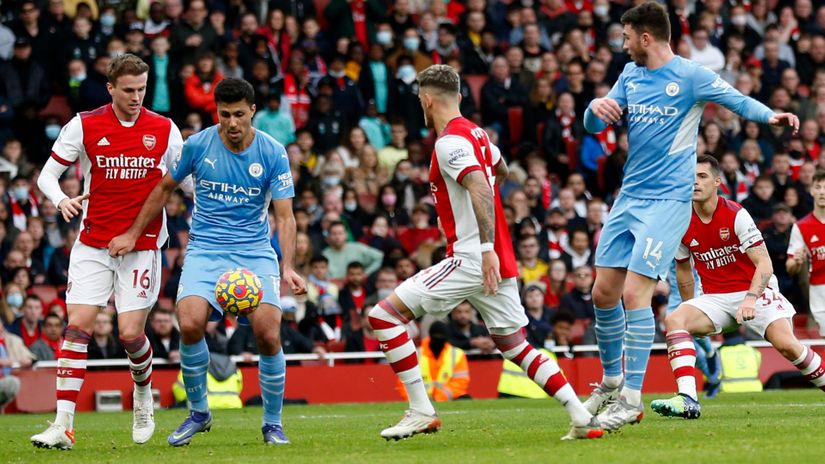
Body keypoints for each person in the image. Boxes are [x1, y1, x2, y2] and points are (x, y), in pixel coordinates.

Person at [582, 2, 798, 432]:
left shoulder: (691, 75)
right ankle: (611, 380)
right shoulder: (630, 75)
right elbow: (594, 124)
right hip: (629, 198)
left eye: (627, 37)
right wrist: (593, 107)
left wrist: (770, 115)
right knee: (603, 293)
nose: (623, 45)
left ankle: (631, 399)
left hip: (667, 202)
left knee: (635, 294)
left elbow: (737, 100)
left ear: (646, 37)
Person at [368, 64, 603, 442]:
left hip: (472, 257)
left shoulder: (448, 143)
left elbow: (478, 184)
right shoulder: (477, 134)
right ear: (460, 97)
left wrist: (485, 246)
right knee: (515, 345)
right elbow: (500, 169)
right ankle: (580, 415)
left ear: (426, 100)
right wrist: (472, 215)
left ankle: (421, 411)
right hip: (496, 260)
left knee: (383, 316)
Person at [107, 78, 306, 446]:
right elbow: (164, 188)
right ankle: (199, 412)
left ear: (253, 112)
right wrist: (133, 234)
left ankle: (272, 424)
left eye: (239, 115)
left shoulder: (273, 151)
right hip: (205, 249)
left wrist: (288, 266)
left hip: (254, 251)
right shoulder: (197, 145)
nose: (232, 123)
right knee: (189, 323)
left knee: (268, 333)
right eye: (224, 114)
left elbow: (285, 216)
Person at [31, 54, 185, 450]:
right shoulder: (84, 124)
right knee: (77, 328)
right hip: (93, 242)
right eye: (129, 90)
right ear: (111, 88)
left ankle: (143, 394)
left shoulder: (164, 129)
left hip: (143, 246)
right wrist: (61, 199)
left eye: (142, 89)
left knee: (130, 334)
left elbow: (186, 182)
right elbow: (47, 175)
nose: (137, 97)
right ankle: (63, 426)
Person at [650, 156, 825, 420]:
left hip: (756, 291)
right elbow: (684, 270)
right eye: (690, 178)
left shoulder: (735, 214)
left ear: (717, 182)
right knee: (676, 319)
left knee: (788, 346)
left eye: (702, 176)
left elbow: (764, 264)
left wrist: (751, 298)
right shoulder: (680, 221)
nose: (695, 182)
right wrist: (690, 306)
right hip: (715, 298)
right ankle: (687, 399)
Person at [787, 170, 825, 337]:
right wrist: (796, 261)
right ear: (812, 191)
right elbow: (790, 266)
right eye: (818, 187)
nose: (822, 192)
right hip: (819, 290)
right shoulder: (801, 226)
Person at [398, 321, 470, 402]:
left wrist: (440, 397)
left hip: (448, 400)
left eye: (441, 336)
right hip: (421, 402)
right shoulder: (415, 354)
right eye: (436, 336)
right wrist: (416, 402)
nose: (438, 339)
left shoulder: (457, 354)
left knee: (465, 399)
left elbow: (460, 382)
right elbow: (404, 382)